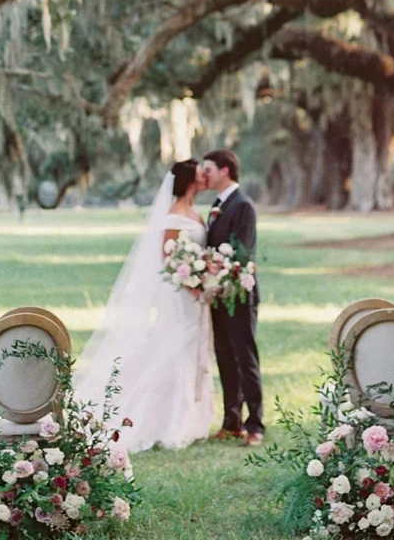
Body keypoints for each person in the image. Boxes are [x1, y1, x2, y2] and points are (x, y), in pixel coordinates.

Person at [74, 159, 214, 452]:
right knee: (174, 349)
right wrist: (192, 283)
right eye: (201, 174)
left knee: (192, 350)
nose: (205, 178)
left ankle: (190, 418)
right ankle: (163, 420)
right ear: (190, 181)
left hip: (197, 294)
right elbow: (168, 259)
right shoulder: (174, 215)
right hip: (179, 294)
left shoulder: (194, 212)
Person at [203, 149, 264, 446]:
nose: (204, 175)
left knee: (245, 359)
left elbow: (243, 253)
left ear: (225, 170)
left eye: (209, 169)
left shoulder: (243, 206)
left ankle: (256, 425)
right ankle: (232, 421)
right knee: (225, 358)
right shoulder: (217, 205)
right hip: (218, 296)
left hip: (239, 296)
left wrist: (221, 273)